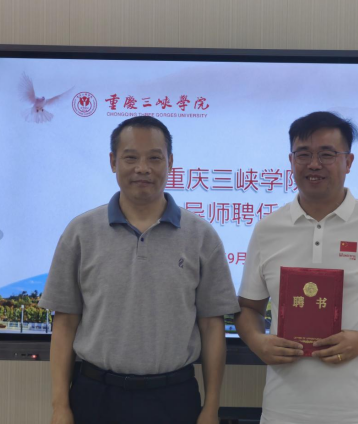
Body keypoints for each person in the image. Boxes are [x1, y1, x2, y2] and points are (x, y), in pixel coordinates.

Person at [39, 116, 240, 424]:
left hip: (174, 398)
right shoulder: (80, 232)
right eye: (131, 158)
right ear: (113, 162)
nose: (143, 168)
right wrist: (59, 406)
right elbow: (65, 323)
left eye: (154, 158)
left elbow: (212, 327)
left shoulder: (201, 236)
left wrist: (211, 407)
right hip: (95, 396)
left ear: (170, 162)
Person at [235, 111, 358, 424]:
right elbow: (249, 308)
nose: (314, 164)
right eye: (303, 154)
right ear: (291, 160)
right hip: (284, 411)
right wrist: (257, 342)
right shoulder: (267, 229)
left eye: (327, 154)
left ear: (348, 162)